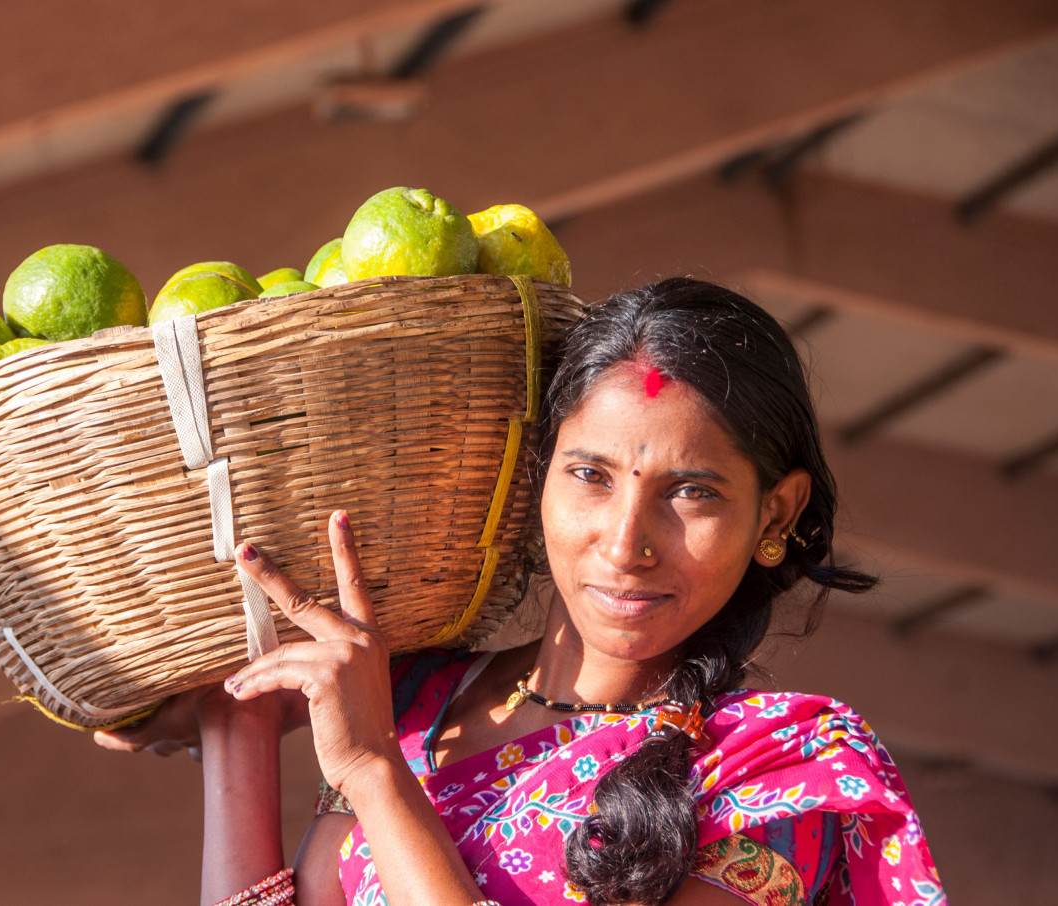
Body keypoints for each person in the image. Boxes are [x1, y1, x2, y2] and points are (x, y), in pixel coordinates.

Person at [97, 277, 946, 906]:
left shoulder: (781, 770)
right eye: (590, 476)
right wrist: (239, 723)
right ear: (536, 477)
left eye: (693, 492)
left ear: (778, 511)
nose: (626, 543)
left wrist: (373, 772)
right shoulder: (414, 699)